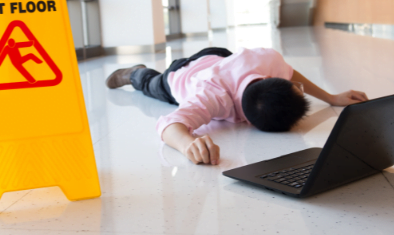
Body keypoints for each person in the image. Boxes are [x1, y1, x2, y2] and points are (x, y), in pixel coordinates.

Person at [105, 47, 368, 166]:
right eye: (295, 86)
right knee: (151, 84)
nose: (296, 84)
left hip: (218, 61)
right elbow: (167, 124)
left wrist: (332, 99)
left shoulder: (264, 65)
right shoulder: (212, 96)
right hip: (180, 77)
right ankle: (134, 73)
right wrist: (187, 144)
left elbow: (288, 74)